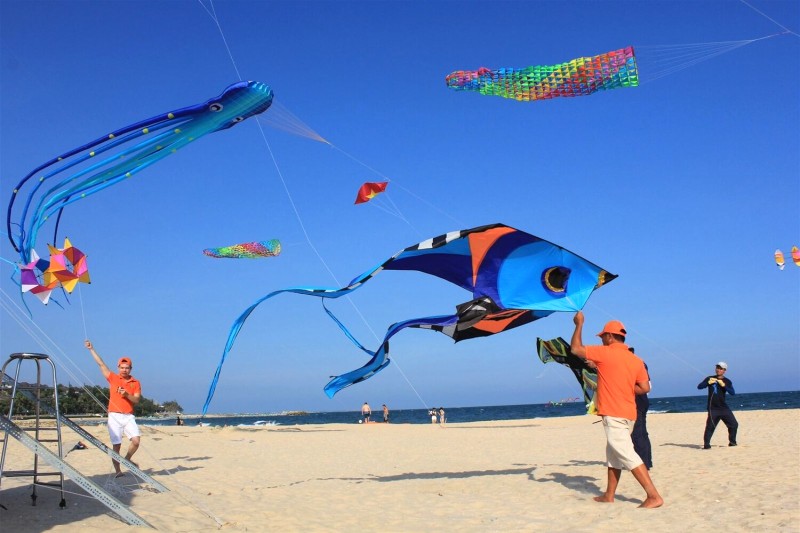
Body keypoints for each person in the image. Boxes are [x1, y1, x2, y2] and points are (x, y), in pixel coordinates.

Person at [570, 312, 663, 508]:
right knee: (613, 456)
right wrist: (624, 387)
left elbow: (576, 349)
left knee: (627, 454)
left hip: (614, 414)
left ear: (610, 336)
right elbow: (645, 388)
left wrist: (579, 324)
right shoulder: (636, 360)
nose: (602, 340)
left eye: (603, 336)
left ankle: (653, 495)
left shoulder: (606, 353)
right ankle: (609, 495)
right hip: (629, 414)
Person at [84, 340, 142, 477]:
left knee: (136, 441)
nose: (124, 370)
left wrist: (127, 394)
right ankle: (118, 471)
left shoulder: (136, 382)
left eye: (127, 367)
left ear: (130, 369)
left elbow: (137, 400)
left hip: (128, 416)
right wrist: (91, 349)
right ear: (118, 368)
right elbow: (101, 364)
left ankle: (127, 459)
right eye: (122, 367)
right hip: (114, 416)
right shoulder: (113, 378)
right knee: (117, 445)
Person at [697, 361, 738, 449]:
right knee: (710, 427)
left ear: (724, 370)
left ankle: (732, 442)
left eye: (720, 368)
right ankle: (706, 445)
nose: (718, 370)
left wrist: (724, 386)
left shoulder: (727, 381)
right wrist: (708, 383)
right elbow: (699, 387)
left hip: (724, 408)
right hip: (713, 408)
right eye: (717, 368)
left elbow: (732, 393)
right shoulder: (709, 378)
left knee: (734, 424)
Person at [629, 348, 653, 470]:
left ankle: (644, 463)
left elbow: (643, 385)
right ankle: (647, 461)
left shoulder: (636, 364)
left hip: (638, 401)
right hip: (642, 401)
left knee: (638, 434)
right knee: (642, 433)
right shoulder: (640, 363)